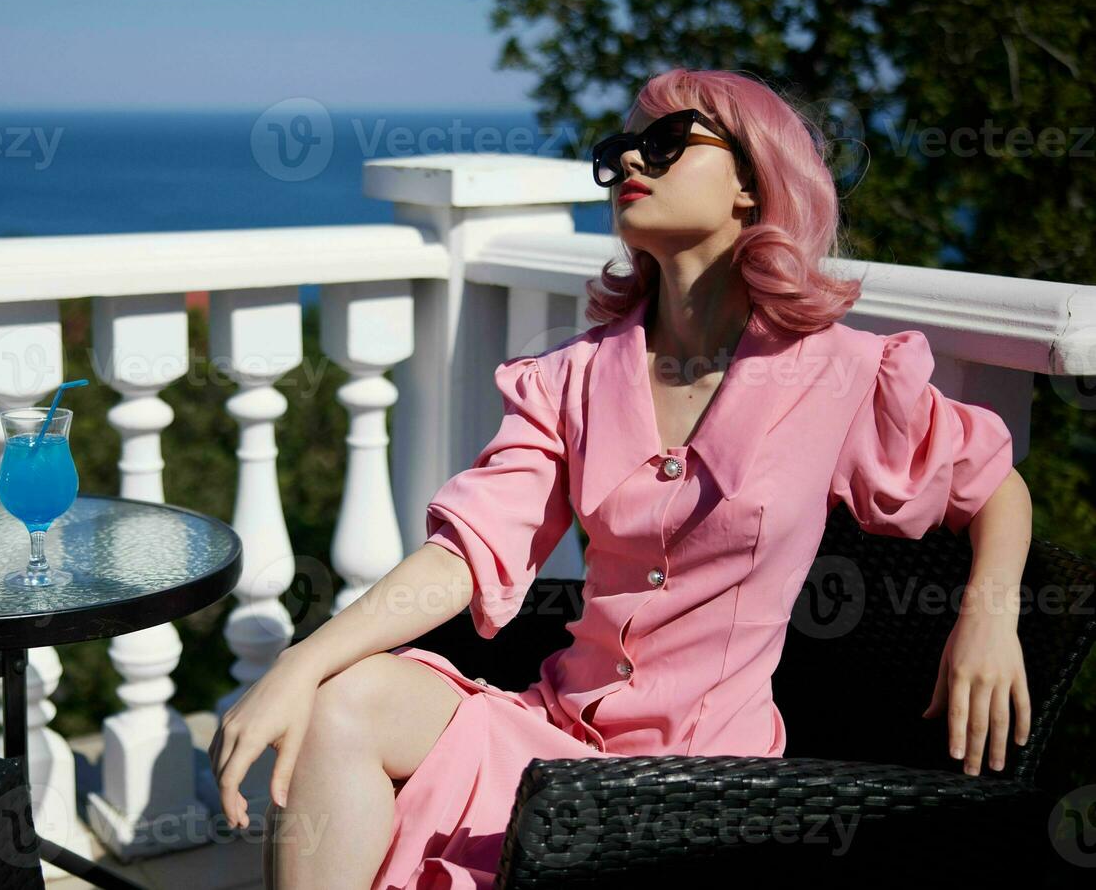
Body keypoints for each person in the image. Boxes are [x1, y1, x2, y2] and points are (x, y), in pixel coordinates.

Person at [206, 68, 1033, 890]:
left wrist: (988, 620)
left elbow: (994, 484)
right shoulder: (571, 379)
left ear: (754, 183)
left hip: (699, 792)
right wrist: (299, 664)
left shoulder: (841, 376)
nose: (633, 159)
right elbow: (467, 553)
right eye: (621, 148)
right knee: (340, 701)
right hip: (552, 740)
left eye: (668, 141)